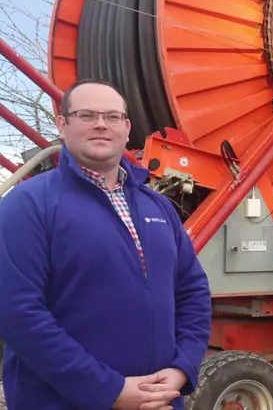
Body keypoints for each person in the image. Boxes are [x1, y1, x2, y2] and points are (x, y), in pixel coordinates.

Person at [0, 79, 213, 410]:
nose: (101, 124)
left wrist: (181, 368)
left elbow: (193, 291)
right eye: (86, 115)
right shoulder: (28, 205)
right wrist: (109, 390)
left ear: (127, 128)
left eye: (113, 117)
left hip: (160, 401)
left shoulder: (157, 207)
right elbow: (18, 315)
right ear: (63, 124)